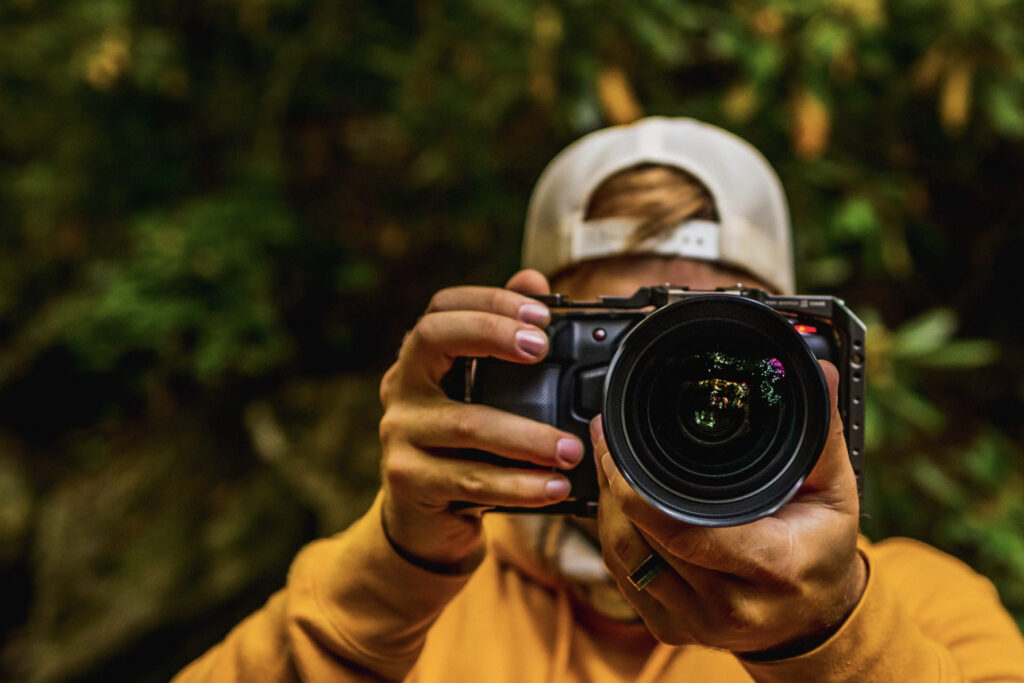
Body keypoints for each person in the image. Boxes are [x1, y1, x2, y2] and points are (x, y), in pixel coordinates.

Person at [174, 117, 1024, 682]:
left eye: (721, 345)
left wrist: (826, 638)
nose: (691, 403)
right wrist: (396, 567)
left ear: (805, 364)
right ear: (532, 357)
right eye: (627, 351)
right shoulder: (425, 601)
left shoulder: (916, 605)